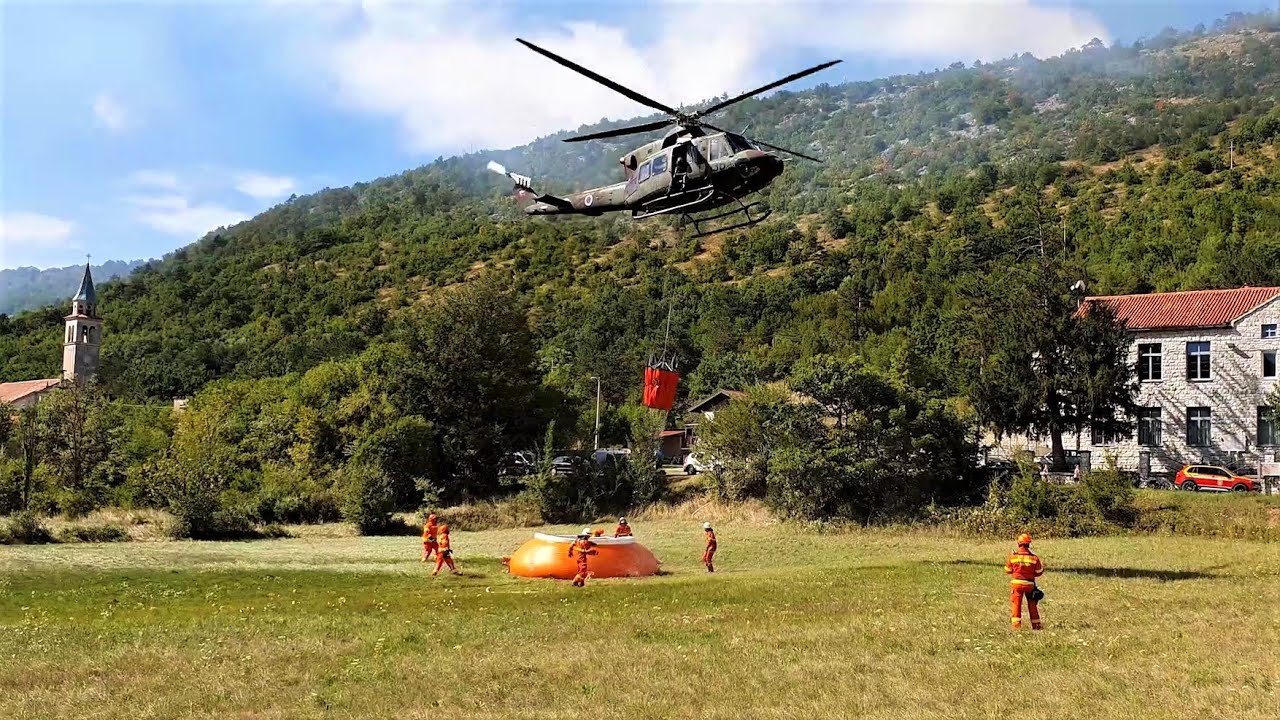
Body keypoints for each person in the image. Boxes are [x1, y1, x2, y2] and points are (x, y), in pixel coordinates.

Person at [1004, 532, 1044, 630]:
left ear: (1018, 543)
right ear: (1029, 544)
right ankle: (1036, 626)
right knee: (1032, 605)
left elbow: (1008, 570)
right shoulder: (1034, 558)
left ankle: (1016, 627)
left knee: (1016, 605)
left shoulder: (1013, 557)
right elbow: (1039, 572)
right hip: (1029, 585)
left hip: (1016, 584)